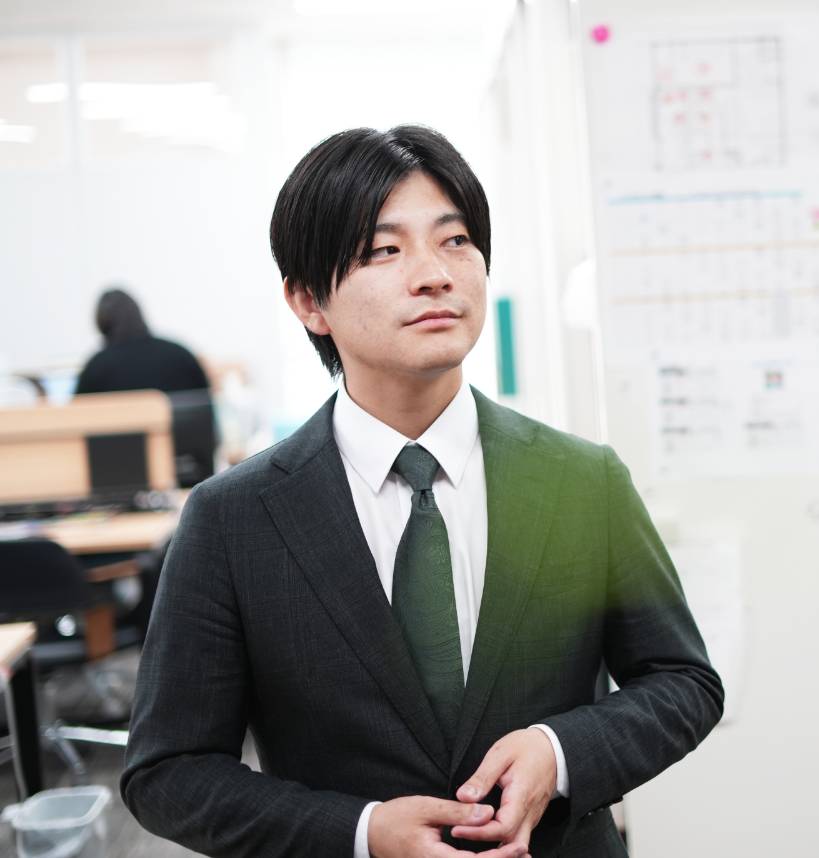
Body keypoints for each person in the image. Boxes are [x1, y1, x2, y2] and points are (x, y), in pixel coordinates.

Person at [121, 125, 723, 858]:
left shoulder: (582, 479)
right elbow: (169, 771)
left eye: (456, 240)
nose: (434, 274)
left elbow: (683, 682)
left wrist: (559, 751)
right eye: (384, 250)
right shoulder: (233, 519)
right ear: (308, 300)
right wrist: (362, 832)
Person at [75, 287, 211, 396]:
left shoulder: (96, 368)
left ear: (102, 323)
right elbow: (207, 405)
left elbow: (76, 416)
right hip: (182, 425)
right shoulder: (181, 355)